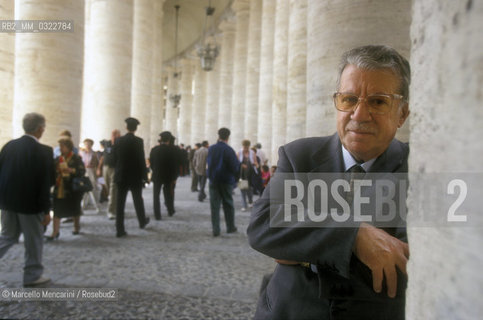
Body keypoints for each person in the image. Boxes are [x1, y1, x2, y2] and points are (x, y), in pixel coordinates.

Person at [247, 45, 411, 319]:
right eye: (349, 99)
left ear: (402, 114)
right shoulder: (299, 156)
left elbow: (409, 264)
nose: (359, 115)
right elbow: (263, 226)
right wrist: (354, 236)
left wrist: (303, 250)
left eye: (378, 101)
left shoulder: (418, 168)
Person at [0, 113, 55, 286]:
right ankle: (32, 276)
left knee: (7, 236)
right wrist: (47, 210)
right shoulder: (44, 151)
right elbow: (46, 183)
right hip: (31, 205)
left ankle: (33, 274)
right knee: (33, 240)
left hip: (7, 202)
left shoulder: (9, 146)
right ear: (40, 129)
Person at [113, 117, 150, 237]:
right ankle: (142, 221)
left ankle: (119, 229)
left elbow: (115, 158)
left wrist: (117, 171)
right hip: (135, 176)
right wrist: (145, 176)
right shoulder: (139, 141)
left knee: (120, 203)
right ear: (136, 128)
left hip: (121, 175)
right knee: (138, 200)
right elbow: (141, 159)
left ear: (126, 127)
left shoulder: (118, 141)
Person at [48, 138, 86, 239]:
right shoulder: (58, 159)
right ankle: (55, 232)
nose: (60, 148)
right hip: (60, 187)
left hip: (72, 189)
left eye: (62, 146)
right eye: (60, 146)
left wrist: (71, 170)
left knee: (75, 208)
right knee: (57, 210)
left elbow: (81, 171)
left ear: (69, 147)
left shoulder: (76, 158)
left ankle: (76, 227)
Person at [207, 128, 240, 237]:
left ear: (219, 135)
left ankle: (215, 229)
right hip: (226, 181)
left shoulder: (211, 148)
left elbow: (208, 164)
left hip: (214, 180)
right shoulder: (229, 150)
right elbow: (234, 166)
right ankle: (230, 227)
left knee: (214, 206)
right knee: (228, 204)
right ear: (228, 137)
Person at [149, 131, 178, 220]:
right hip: (168, 176)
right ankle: (170, 210)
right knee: (168, 194)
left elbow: (151, 163)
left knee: (156, 195)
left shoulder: (154, 149)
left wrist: (155, 170)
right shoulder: (172, 150)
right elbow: (174, 165)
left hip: (157, 175)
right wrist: (174, 177)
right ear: (169, 140)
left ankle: (157, 215)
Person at [97, 130, 121, 220]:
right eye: (113, 134)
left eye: (116, 135)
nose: (114, 136)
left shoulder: (120, 145)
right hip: (105, 168)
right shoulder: (107, 143)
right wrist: (99, 168)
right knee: (108, 188)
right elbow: (103, 156)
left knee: (113, 189)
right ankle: (116, 206)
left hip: (115, 168)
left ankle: (111, 211)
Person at [236, 139, 258, 211]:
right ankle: (244, 205)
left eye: (247, 147)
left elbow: (256, 163)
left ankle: (250, 201)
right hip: (242, 174)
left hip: (250, 174)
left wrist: (254, 164)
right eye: (245, 147)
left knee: (250, 190)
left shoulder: (252, 153)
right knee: (243, 190)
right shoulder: (239, 153)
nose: (246, 148)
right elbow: (236, 163)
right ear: (242, 146)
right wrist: (242, 165)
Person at [79, 138, 100, 212]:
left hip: (91, 171)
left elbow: (97, 163)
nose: (87, 145)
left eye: (89, 144)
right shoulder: (81, 153)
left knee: (92, 187)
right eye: (86, 144)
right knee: (83, 188)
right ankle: (83, 204)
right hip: (84, 171)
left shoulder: (94, 153)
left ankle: (95, 204)